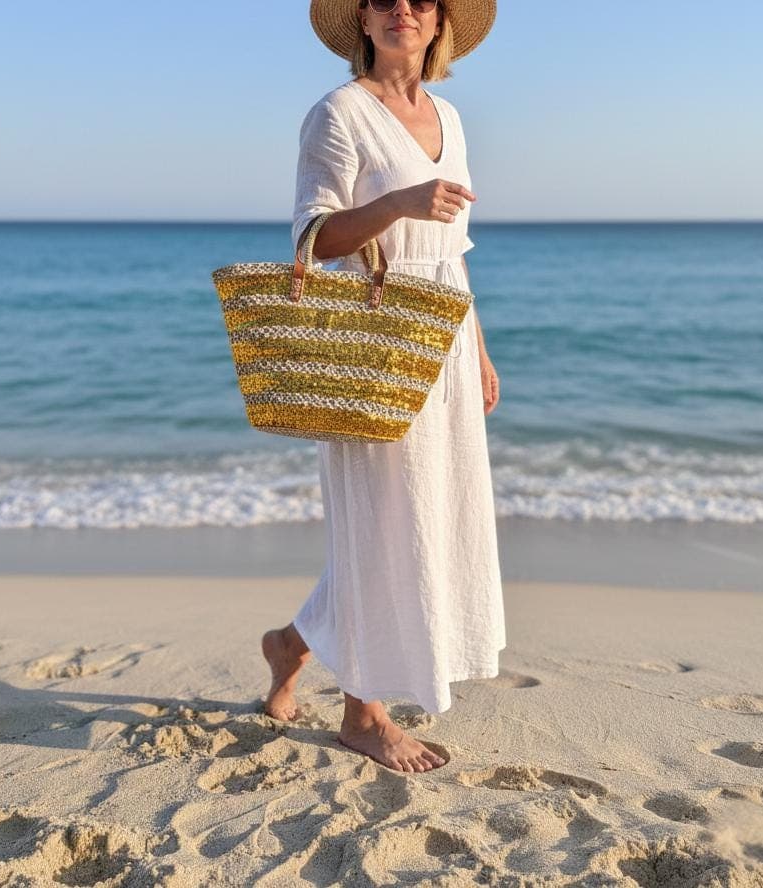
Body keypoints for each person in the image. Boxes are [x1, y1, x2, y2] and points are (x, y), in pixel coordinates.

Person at [261, 0, 505, 774]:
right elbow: (312, 238)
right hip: (374, 330)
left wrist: (480, 348)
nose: (404, 8)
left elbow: (453, 248)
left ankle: (291, 644)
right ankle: (362, 716)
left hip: (445, 328)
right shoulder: (337, 114)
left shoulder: (450, 117)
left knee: (425, 513)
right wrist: (396, 202)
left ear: (439, 25)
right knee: (378, 519)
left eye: (423, 0)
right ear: (362, 21)